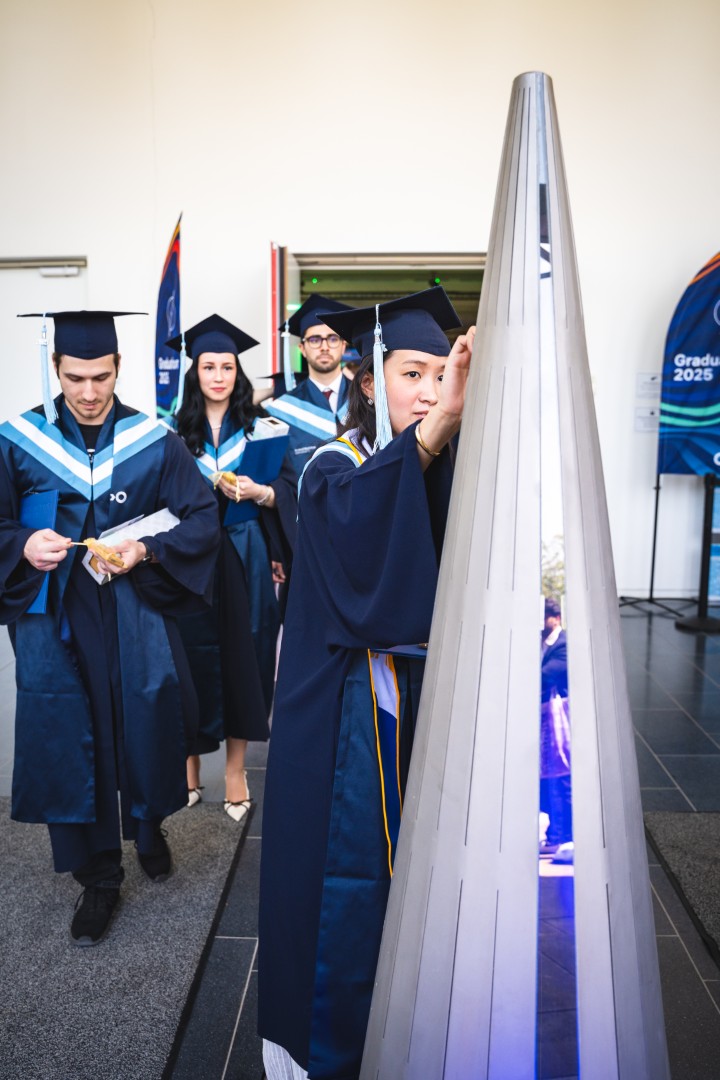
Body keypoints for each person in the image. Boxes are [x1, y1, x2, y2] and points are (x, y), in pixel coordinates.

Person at [258, 287, 475, 1080]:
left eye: (436, 376)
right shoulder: (331, 467)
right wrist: (440, 426)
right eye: (410, 373)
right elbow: (356, 528)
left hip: (423, 707)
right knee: (345, 883)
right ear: (367, 379)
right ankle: (328, 1053)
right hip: (349, 715)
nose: (425, 391)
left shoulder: (450, 464)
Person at [0, 310, 220, 947]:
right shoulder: (19, 441)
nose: (89, 393)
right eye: (75, 378)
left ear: (118, 369)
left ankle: (149, 825)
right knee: (71, 729)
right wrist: (21, 544)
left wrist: (146, 552)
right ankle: (98, 876)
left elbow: (200, 516)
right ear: (56, 371)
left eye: (100, 377)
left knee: (143, 715)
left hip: (133, 607)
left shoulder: (151, 439)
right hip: (56, 618)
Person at [168, 314, 297, 821]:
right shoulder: (171, 435)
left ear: (237, 374)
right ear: (195, 374)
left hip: (246, 552)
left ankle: (238, 769)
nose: (218, 375)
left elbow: (285, 491)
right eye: (208, 366)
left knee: (249, 654)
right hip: (191, 559)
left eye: (227, 366)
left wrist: (259, 491)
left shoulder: (263, 431)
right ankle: (189, 766)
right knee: (189, 656)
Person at [265, 294, 354, 477]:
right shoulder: (282, 410)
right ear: (302, 349)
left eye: (332, 338)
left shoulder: (368, 399)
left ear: (343, 346)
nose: (324, 347)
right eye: (314, 340)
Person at [540, 597, 573, 861]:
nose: (540, 624)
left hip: (559, 720)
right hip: (544, 719)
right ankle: (554, 833)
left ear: (556, 618)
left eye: (544, 618)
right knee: (546, 778)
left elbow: (546, 675)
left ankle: (565, 837)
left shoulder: (563, 645)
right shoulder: (542, 642)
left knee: (562, 776)